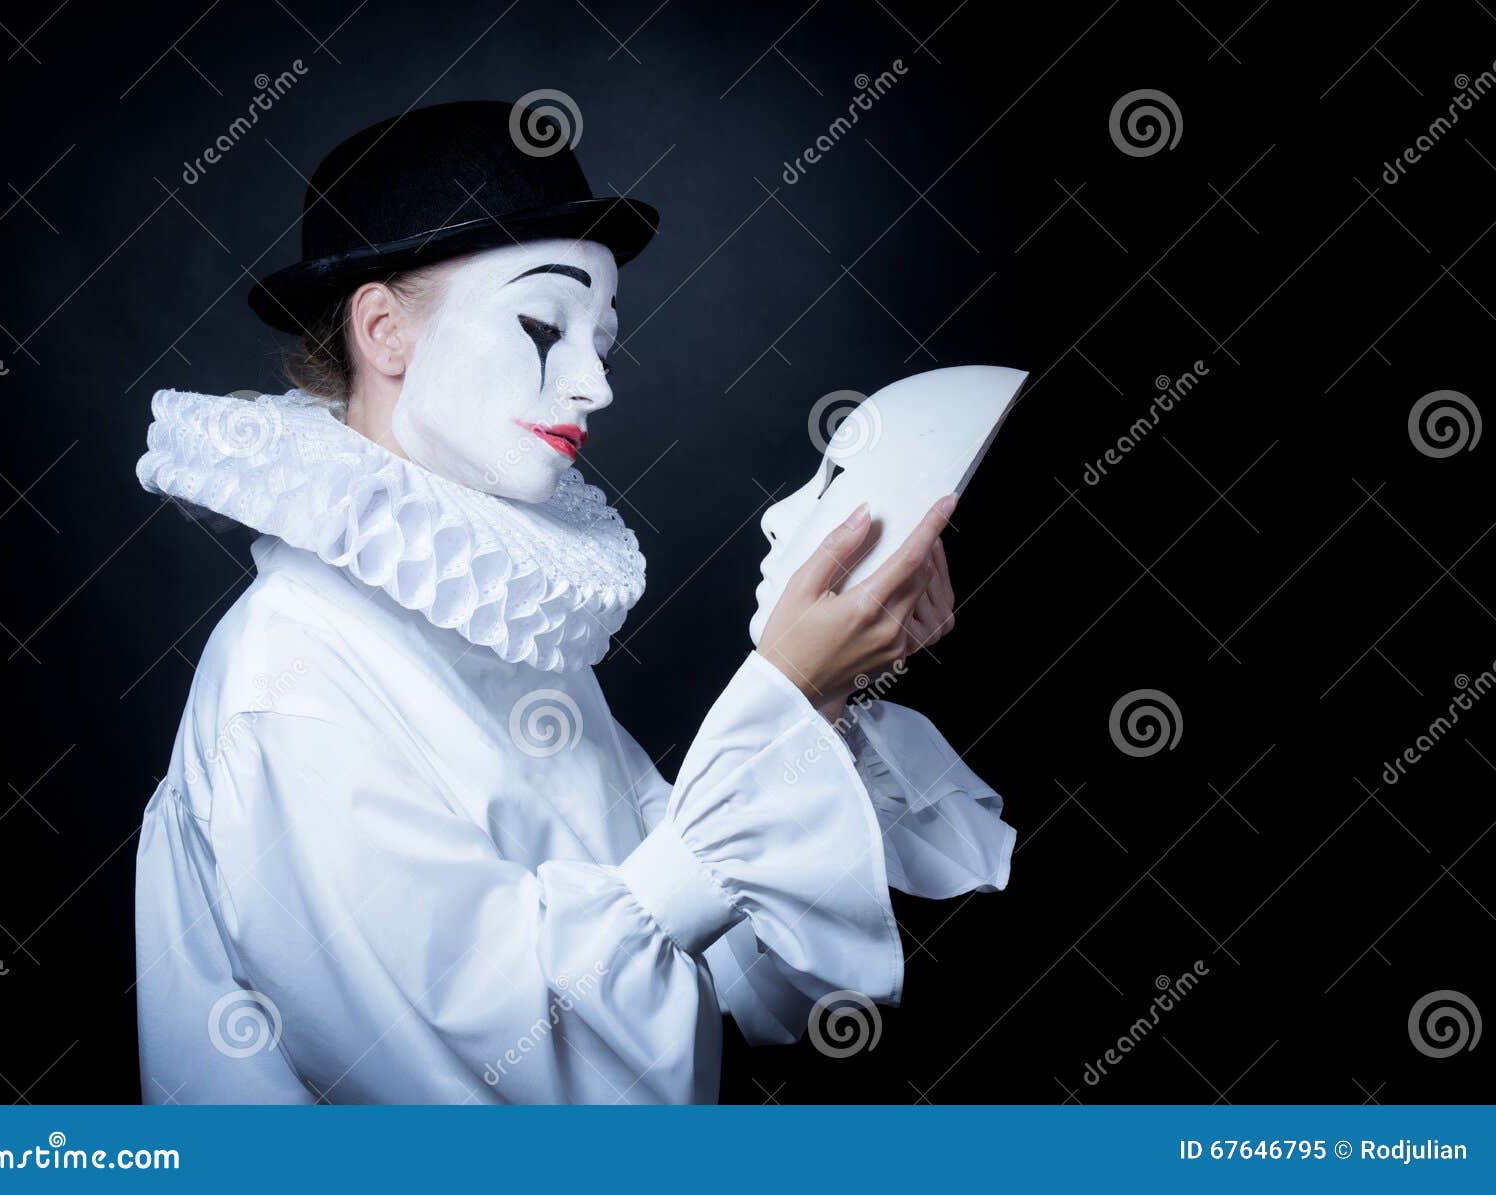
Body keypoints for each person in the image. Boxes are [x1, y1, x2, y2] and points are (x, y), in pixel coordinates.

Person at [133, 100, 1014, 1104]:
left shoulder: (488, 622)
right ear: (383, 330)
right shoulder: (292, 670)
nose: (595, 383)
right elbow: (492, 1078)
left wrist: (820, 701)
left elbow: (727, 961)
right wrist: (777, 700)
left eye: (602, 336)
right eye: (542, 325)